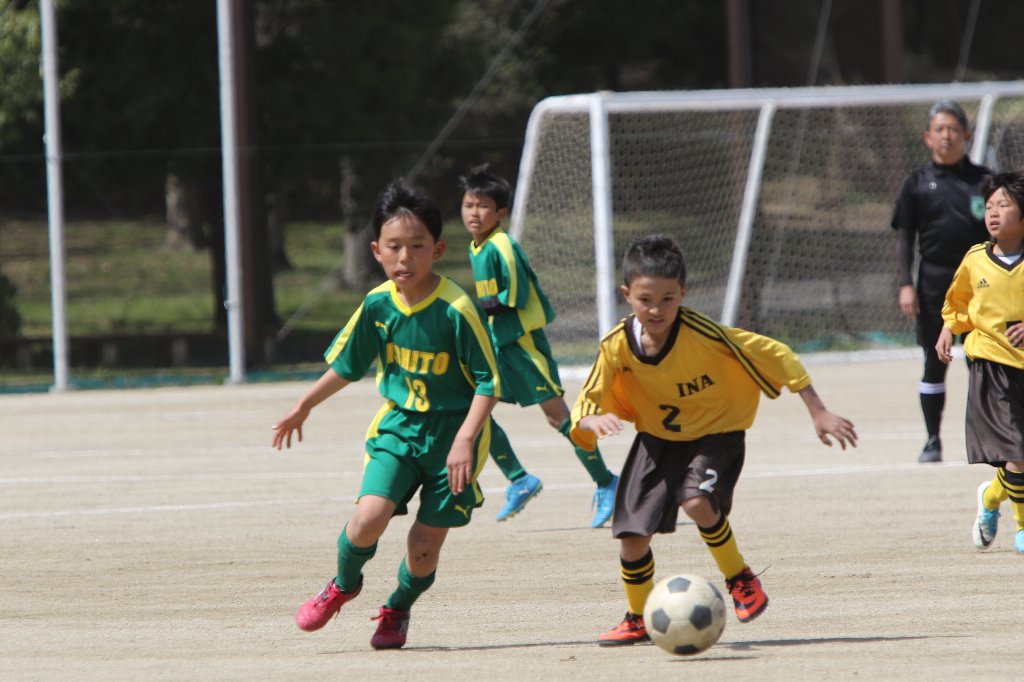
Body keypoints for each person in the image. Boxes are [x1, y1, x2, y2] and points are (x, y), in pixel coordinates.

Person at [568, 234, 858, 646]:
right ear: (626, 294)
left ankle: (740, 577)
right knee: (631, 537)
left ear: (683, 294)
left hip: (716, 434)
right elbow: (588, 397)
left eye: (668, 299)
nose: (656, 309)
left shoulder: (704, 333)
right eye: (646, 299)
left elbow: (775, 353)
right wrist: (590, 419)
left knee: (696, 501)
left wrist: (818, 410)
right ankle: (638, 617)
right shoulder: (616, 344)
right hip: (657, 440)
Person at [271, 180, 501, 650]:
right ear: (376, 251)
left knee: (424, 546)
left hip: (455, 437)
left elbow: (489, 382)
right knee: (367, 520)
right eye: (394, 247)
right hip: (399, 428)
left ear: (437, 250)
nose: (405, 258)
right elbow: (347, 365)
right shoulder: (377, 304)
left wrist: (465, 439)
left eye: (417, 246)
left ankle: (398, 607)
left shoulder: (457, 309)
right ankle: (343, 585)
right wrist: (304, 405)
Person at [459, 165, 619, 527]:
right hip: (499, 345)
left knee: (558, 417)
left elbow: (514, 296)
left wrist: (469, 310)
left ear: (500, 213)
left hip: (523, 343)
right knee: (475, 412)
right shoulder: (476, 246)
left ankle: (607, 481)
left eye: (483, 206)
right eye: (468, 205)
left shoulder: (503, 246)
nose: (474, 212)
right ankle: (519, 479)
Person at [891, 100, 991, 463]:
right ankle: (932, 439)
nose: (946, 135)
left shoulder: (985, 181)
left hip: (981, 286)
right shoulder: (917, 183)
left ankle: (989, 436)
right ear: (928, 137)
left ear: (967, 135)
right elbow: (905, 236)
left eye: (953, 129)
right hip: (934, 285)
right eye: (939, 129)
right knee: (935, 361)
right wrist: (906, 283)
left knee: (983, 362)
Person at [936, 170, 1024, 555]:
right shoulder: (975, 259)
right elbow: (958, 301)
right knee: (1016, 451)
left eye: (1004, 205)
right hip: (992, 366)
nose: (994, 213)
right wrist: (948, 328)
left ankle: (990, 497)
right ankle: (1023, 529)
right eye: (989, 206)